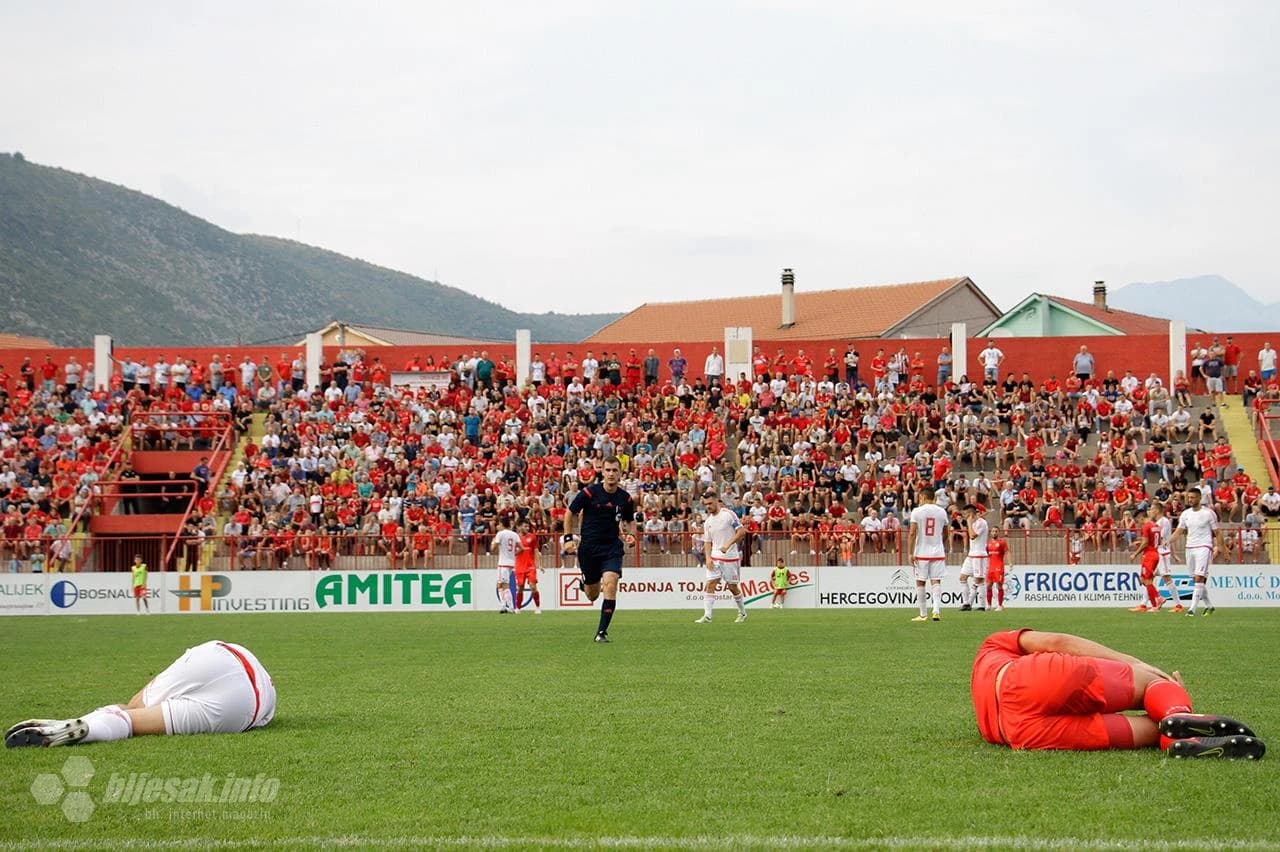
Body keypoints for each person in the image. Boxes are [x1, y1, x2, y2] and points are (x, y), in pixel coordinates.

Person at [971, 628, 1263, 758]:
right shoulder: (991, 646)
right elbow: (1056, 641)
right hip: (1021, 679)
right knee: (1153, 684)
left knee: (1151, 730)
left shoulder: (984, 719)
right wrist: (1134, 663)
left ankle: (1183, 740)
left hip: (1016, 732)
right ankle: (1177, 713)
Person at [6, 640, 276, 748]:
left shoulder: (257, 671)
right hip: (245, 707)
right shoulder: (268, 703)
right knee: (134, 723)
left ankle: (80, 721)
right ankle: (86, 727)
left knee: (134, 707)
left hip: (220, 654)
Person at [565, 456, 637, 643]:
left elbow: (629, 520)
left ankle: (601, 632)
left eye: (615, 470)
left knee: (611, 583)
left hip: (612, 547)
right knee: (592, 594)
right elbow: (570, 512)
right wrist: (567, 538)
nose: (611, 474)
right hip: (589, 548)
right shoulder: (589, 492)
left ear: (620, 473)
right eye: (608, 470)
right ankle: (585, 583)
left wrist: (632, 535)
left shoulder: (625, 498)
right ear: (602, 472)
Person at [694, 490, 749, 624]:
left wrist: (728, 544)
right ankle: (707, 616)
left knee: (732, 587)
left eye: (710, 503)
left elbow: (741, 531)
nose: (708, 506)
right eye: (706, 504)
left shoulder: (728, 515)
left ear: (717, 501)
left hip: (730, 557)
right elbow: (707, 542)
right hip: (715, 556)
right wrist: (708, 558)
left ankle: (742, 612)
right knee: (710, 584)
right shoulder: (707, 522)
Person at [1170, 489, 1222, 616]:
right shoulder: (1185, 514)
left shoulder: (1209, 513)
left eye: (1192, 497)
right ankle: (1209, 606)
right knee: (1196, 579)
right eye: (1188, 497)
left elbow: (1217, 532)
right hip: (1190, 548)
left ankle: (1191, 609)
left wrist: (1222, 549)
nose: (1189, 500)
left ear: (1199, 498)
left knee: (1199, 578)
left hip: (1204, 547)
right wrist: (1168, 541)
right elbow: (1179, 530)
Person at [908, 487, 949, 622]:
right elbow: (946, 532)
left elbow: (912, 533)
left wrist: (909, 552)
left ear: (923, 497)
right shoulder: (942, 512)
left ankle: (923, 614)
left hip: (921, 552)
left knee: (920, 582)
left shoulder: (917, 512)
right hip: (937, 552)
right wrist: (939, 543)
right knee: (936, 581)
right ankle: (936, 610)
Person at [1127, 508, 1165, 613]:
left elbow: (1145, 543)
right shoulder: (1156, 526)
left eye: (1137, 520)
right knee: (1144, 579)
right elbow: (1158, 541)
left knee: (1147, 580)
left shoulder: (1146, 526)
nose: (1138, 523)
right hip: (1155, 553)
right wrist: (1141, 542)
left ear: (1140, 517)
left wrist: (1135, 553)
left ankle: (1157, 601)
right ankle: (1154, 605)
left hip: (1149, 555)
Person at [958, 505, 990, 612]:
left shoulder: (981, 523)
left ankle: (981, 605)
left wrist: (969, 523)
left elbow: (972, 535)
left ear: (971, 514)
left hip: (979, 555)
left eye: (966, 514)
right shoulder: (973, 523)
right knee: (962, 577)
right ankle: (966, 603)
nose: (965, 516)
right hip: (972, 555)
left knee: (979, 580)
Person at [490, 516, 522, 614]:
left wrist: (493, 541)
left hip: (503, 563)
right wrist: (514, 554)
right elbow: (521, 548)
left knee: (505, 585)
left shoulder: (500, 534)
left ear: (502, 524)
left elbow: (493, 549)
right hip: (511, 563)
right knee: (499, 584)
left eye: (498, 524)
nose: (497, 526)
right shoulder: (514, 534)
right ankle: (503, 606)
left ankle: (512, 607)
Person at [513, 521, 542, 614]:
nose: (527, 528)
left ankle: (538, 607)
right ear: (519, 527)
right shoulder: (515, 538)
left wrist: (539, 564)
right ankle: (518, 608)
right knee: (520, 587)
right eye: (525, 526)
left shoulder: (532, 537)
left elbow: (536, 551)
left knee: (533, 586)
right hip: (519, 567)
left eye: (528, 526)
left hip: (530, 566)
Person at [985, 527, 1009, 611]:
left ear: (998, 532)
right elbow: (988, 555)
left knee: (999, 585)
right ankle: (988, 605)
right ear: (990, 533)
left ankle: (999, 605)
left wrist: (1010, 563)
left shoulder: (1002, 542)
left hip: (999, 566)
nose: (994, 533)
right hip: (991, 567)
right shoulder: (988, 543)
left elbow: (1007, 552)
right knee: (988, 585)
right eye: (993, 531)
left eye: (996, 531)